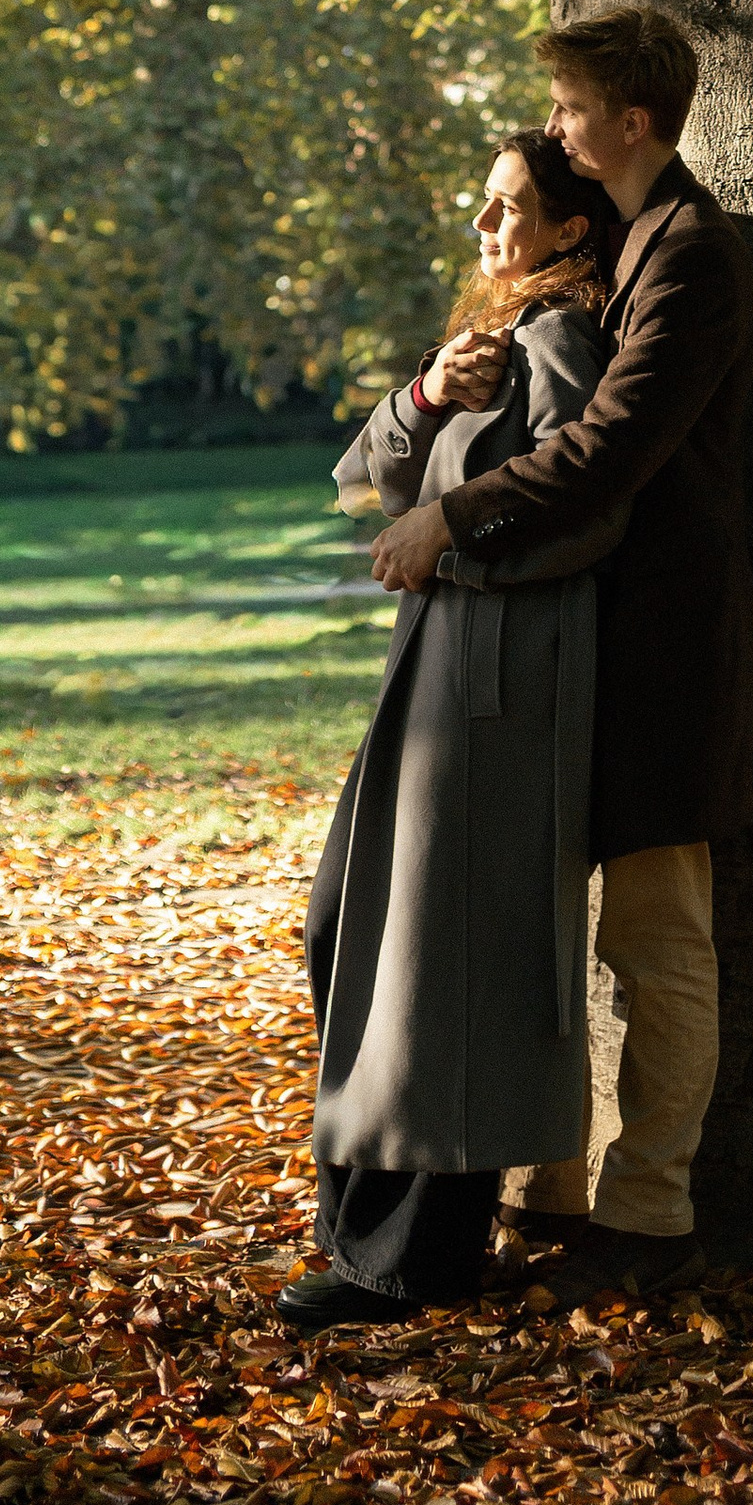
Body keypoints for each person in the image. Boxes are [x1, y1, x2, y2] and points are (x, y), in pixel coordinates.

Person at [366, 5, 753, 1303]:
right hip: (576, 649)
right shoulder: (629, 251)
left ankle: (650, 1216)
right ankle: (556, 1185)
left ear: (632, 121)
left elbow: (613, 451)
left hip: (658, 651)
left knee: (658, 939)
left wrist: (448, 513)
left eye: (570, 107)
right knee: (551, 932)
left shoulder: (694, 254)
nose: (553, 129)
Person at [283, 129, 627, 1336]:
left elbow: (588, 511)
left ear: (569, 229)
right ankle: (368, 1233)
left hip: (499, 676)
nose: (486, 227)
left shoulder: (567, 341)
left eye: (510, 208)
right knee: (351, 927)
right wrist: (430, 391)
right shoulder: (493, 346)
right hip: (428, 675)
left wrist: (452, 542)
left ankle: (413, 1258)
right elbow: (362, 471)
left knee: (443, 968)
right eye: (480, 205)